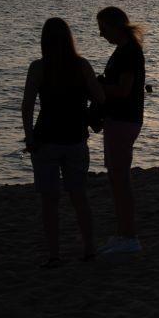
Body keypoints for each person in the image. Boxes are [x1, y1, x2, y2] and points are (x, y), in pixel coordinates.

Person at [21, 18, 106, 267]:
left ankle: (54, 255)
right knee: (79, 198)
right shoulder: (81, 66)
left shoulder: (38, 67)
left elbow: (27, 106)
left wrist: (29, 136)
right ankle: (89, 250)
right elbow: (101, 98)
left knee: (49, 202)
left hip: (45, 139)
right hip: (75, 138)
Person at [96, 6, 146, 255]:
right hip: (121, 119)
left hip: (123, 120)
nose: (101, 34)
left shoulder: (129, 53)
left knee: (121, 180)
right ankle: (123, 233)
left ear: (115, 26)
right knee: (117, 179)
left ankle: (129, 236)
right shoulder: (125, 51)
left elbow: (124, 90)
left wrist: (98, 87)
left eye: (103, 29)